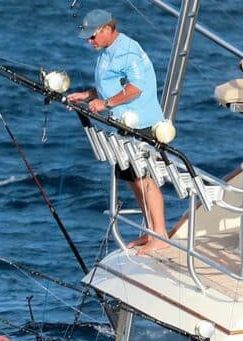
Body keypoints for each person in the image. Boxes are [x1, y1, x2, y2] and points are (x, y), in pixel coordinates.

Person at [65, 9, 168, 254]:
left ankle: (161, 233)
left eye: (92, 37)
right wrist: (88, 95)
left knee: (145, 179)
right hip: (122, 124)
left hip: (141, 124)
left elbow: (136, 88)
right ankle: (149, 231)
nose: (89, 42)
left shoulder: (128, 51)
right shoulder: (106, 52)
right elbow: (110, 86)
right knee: (133, 181)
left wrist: (106, 104)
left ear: (107, 29)